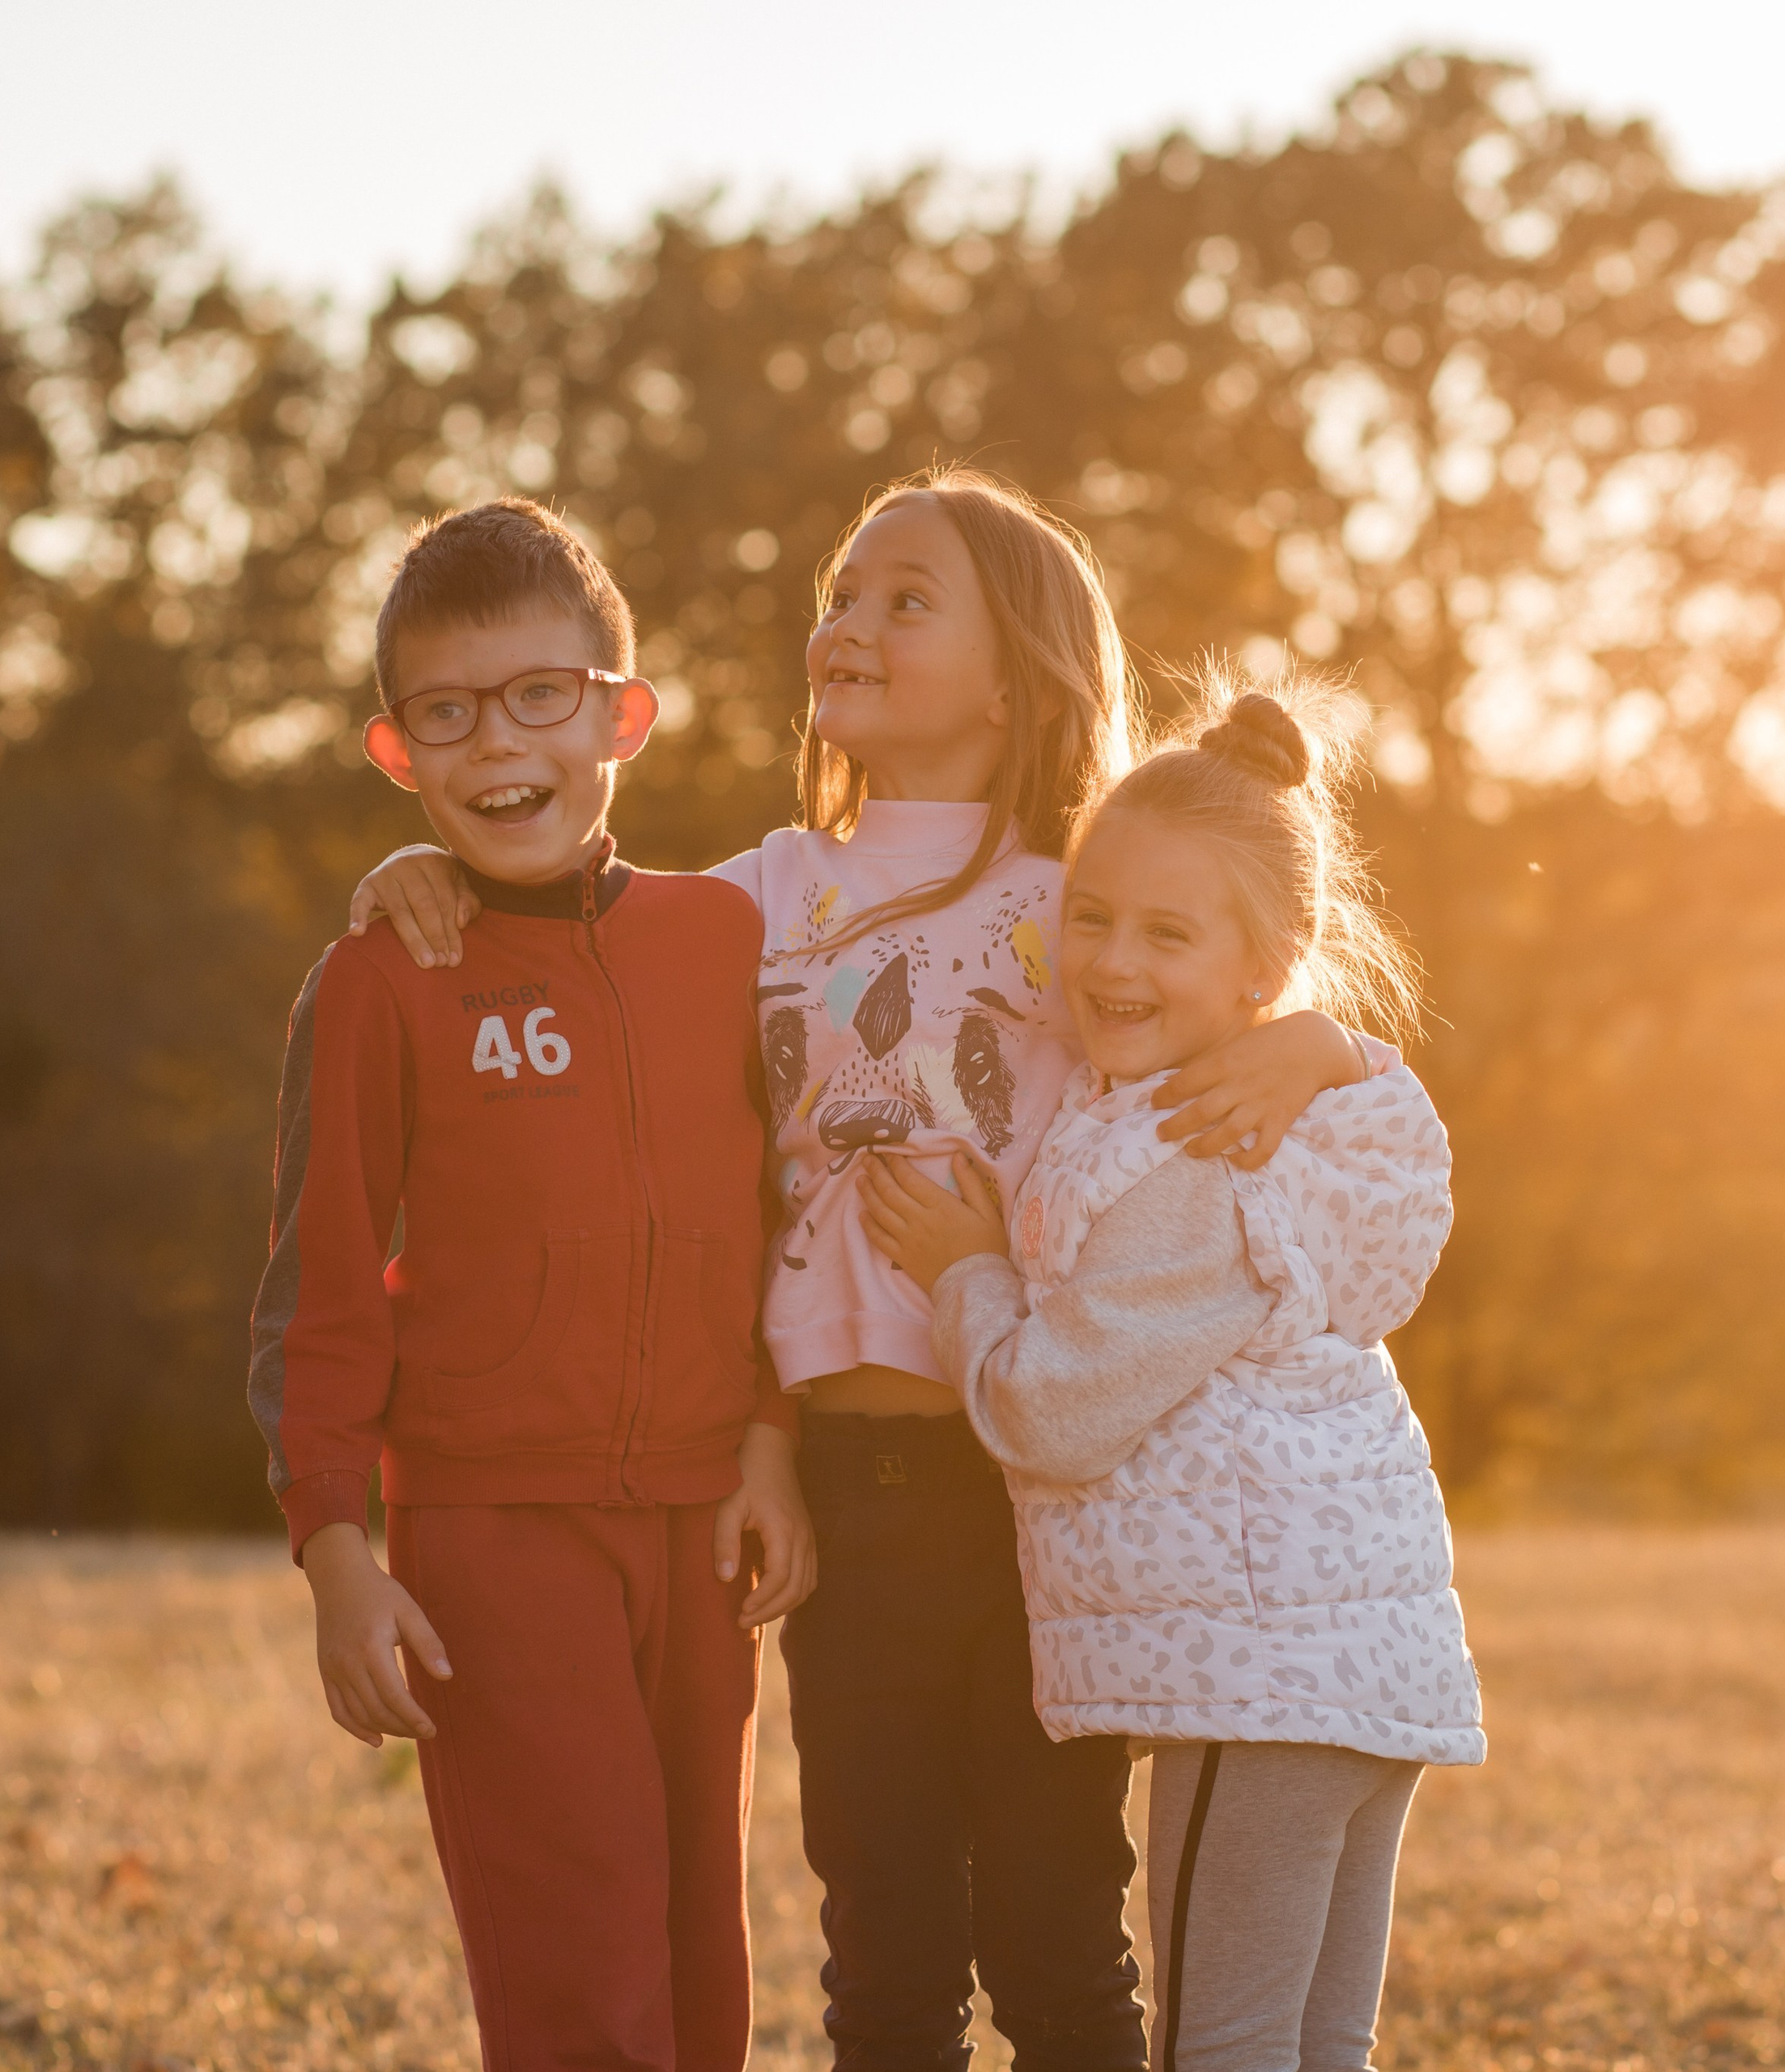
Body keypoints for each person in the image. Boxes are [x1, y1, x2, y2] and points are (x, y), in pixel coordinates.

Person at [346, 469, 1387, 2072]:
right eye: (843, 593)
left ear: (1016, 668)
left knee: (1055, 1928)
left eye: (906, 598)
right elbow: (570, 910)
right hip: (846, 1483)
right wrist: (414, 880)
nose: (849, 621)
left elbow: (1239, 982)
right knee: (881, 1937)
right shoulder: (760, 893)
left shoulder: (1081, 899)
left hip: (1046, 1493)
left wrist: (1318, 1039)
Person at [246, 497, 815, 2072]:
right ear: (398, 752)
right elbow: (324, 1278)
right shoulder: (385, 976)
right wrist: (336, 1548)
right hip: (493, 1543)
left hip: (702, 1527)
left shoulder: (727, 935)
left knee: (703, 1967)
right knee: (581, 1977)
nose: (499, 739)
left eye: (540, 695)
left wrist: (771, 1438)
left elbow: (785, 1214)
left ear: (621, 712)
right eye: (448, 711)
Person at [856, 676, 1485, 2072]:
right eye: (1090, 916)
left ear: (1268, 965)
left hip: (1255, 1687)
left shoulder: (1200, 1159)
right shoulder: (1286, 1112)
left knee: (1229, 2047)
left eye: (1167, 934)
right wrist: (1321, 1039)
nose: (1112, 960)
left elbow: (1053, 1411)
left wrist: (968, 1272)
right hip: (1361, 1675)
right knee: (1324, 2046)